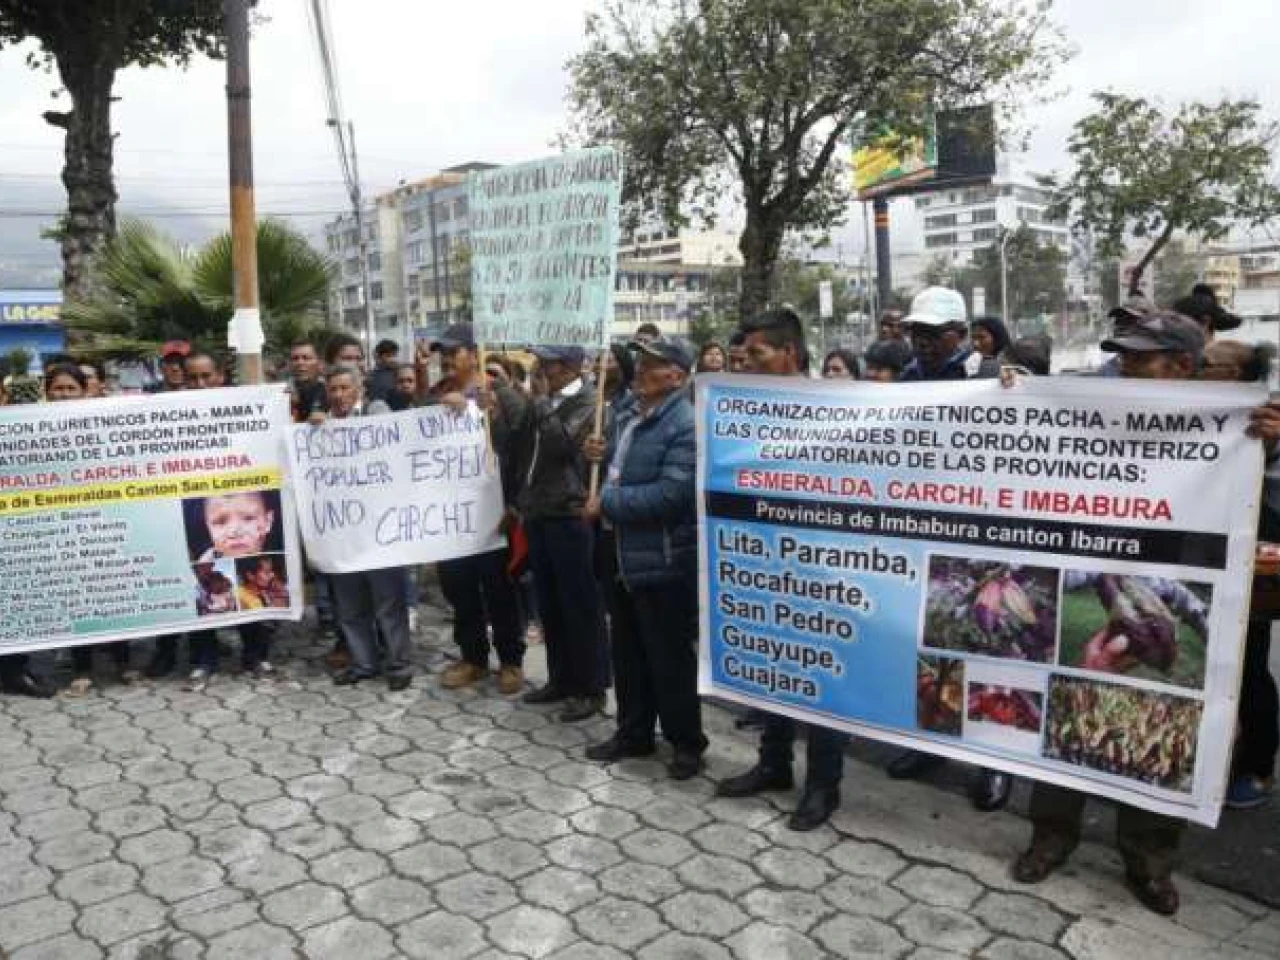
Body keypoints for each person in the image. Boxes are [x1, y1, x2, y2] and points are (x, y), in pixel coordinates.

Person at [1011, 310, 1224, 916]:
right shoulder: (1096, 411)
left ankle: (1148, 861)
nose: (1122, 366)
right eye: (1122, 355)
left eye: (1139, 357)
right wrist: (1008, 397)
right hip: (1097, 571)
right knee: (1069, 715)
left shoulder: (1228, 426)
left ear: (1182, 366)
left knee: (1158, 734)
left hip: (1165, 583)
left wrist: (1270, 441)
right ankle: (1051, 836)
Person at [715, 308, 852, 831]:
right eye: (744, 354)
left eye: (758, 353)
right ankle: (773, 763)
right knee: (772, 663)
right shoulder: (741, 405)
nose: (746, 363)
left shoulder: (839, 406)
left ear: (789, 353)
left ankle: (823, 785)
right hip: (762, 561)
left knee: (821, 675)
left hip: (824, 566)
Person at [888, 287, 1011, 812]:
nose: (922, 342)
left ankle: (995, 761)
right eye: (916, 332)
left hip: (982, 535)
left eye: (933, 334)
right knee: (931, 644)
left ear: (960, 334)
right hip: (925, 533)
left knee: (987, 644)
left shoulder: (996, 378)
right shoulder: (909, 379)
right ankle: (932, 742)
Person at [582, 336, 707, 779]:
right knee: (628, 653)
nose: (640, 370)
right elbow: (617, 473)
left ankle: (686, 743)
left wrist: (608, 503)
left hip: (663, 560)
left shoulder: (686, 424)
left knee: (668, 657)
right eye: (640, 361)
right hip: (621, 554)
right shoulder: (629, 416)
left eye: (652, 364)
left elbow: (672, 495)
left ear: (676, 375)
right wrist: (598, 458)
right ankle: (634, 732)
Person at [147, 350, 274, 689]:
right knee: (201, 583)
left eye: (207, 376)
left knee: (247, 580)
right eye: (193, 377)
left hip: (239, 507)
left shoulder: (244, 407)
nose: (200, 383)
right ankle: (203, 660)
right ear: (183, 379)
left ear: (220, 376)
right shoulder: (166, 414)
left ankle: (256, 655)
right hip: (195, 510)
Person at [425, 323, 530, 696]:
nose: (447, 359)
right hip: (451, 517)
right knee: (459, 588)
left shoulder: (500, 394)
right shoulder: (435, 396)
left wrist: (515, 506)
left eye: (453, 352)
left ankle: (511, 660)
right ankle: (473, 657)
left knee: (499, 588)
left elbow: (523, 446)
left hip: (492, 514)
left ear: (473, 354)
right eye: (443, 353)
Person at [1201, 339, 1279, 808]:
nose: (1196, 371)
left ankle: (1257, 767)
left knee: (1246, 665)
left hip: (1248, 564)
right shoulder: (1185, 409)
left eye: (1206, 365)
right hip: (1197, 553)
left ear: (1235, 375)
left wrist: (1272, 447)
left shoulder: (1266, 418)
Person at [515, 345, 610, 721]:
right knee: (550, 603)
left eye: (548, 363)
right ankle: (561, 678)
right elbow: (524, 447)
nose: (541, 369)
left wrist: (540, 403)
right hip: (539, 511)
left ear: (570, 366)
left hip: (569, 515)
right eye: (539, 362)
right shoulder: (544, 400)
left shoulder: (589, 401)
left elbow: (561, 446)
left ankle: (590, 687)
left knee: (580, 605)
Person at [314, 365, 413, 691]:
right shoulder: (320, 424)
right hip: (342, 532)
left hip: (380, 530)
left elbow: (394, 446)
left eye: (345, 388)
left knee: (389, 603)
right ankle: (364, 663)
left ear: (359, 390)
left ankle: (398, 665)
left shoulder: (376, 413)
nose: (338, 395)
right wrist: (313, 431)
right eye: (333, 389)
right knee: (349, 605)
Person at [40, 365, 137, 697]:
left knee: (114, 592)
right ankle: (82, 669)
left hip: (106, 517)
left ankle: (123, 662)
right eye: (57, 389)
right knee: (77, 596)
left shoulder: (103, 421)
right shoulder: (31, 425)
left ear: (85, 391)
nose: (63, 395)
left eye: (70, 388)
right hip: (64, 522)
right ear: (47, 392)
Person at [1173, 283, 1242, 343]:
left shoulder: (1180, 304)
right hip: (1201, 343)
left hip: (1179, 342)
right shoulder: (1210, 305)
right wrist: (1238, 318)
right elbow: (1224, 321)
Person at [287, 340, 327, 423]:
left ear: (319, 363)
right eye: (295, 358)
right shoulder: (279, 394)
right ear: (289, 363)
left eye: (306, 358)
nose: (300, 362)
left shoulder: (331, 391)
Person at [368, 338, 406, 409]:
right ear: (379, 357)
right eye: (389, 356)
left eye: (395, 355)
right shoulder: (372, 376)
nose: (393, 359)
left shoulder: (401, 371)